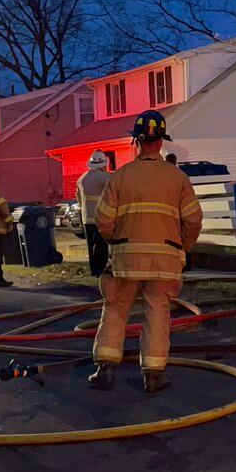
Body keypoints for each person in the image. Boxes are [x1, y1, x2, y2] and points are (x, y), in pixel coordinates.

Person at [88, 110, 202, 394]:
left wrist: (118, 241)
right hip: (165, 257)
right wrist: (182, 247)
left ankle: (105, 369)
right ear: (161, 142)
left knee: (115, 307)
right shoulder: (178, 179)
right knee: (157, 311)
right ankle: (153, 375)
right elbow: (194, 220)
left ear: (136, 141)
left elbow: (103, 221)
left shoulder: (120, 178)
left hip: (126, 257)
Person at [77, 150, 112, 277]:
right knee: (101, 245)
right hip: (101, 216)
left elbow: (79, 199)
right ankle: (100, 270)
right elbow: (111, 196)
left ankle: (93, 270)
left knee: (90, 244)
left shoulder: (82, 179)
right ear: (103, 164)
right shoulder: (107, 177)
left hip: (86, 217)